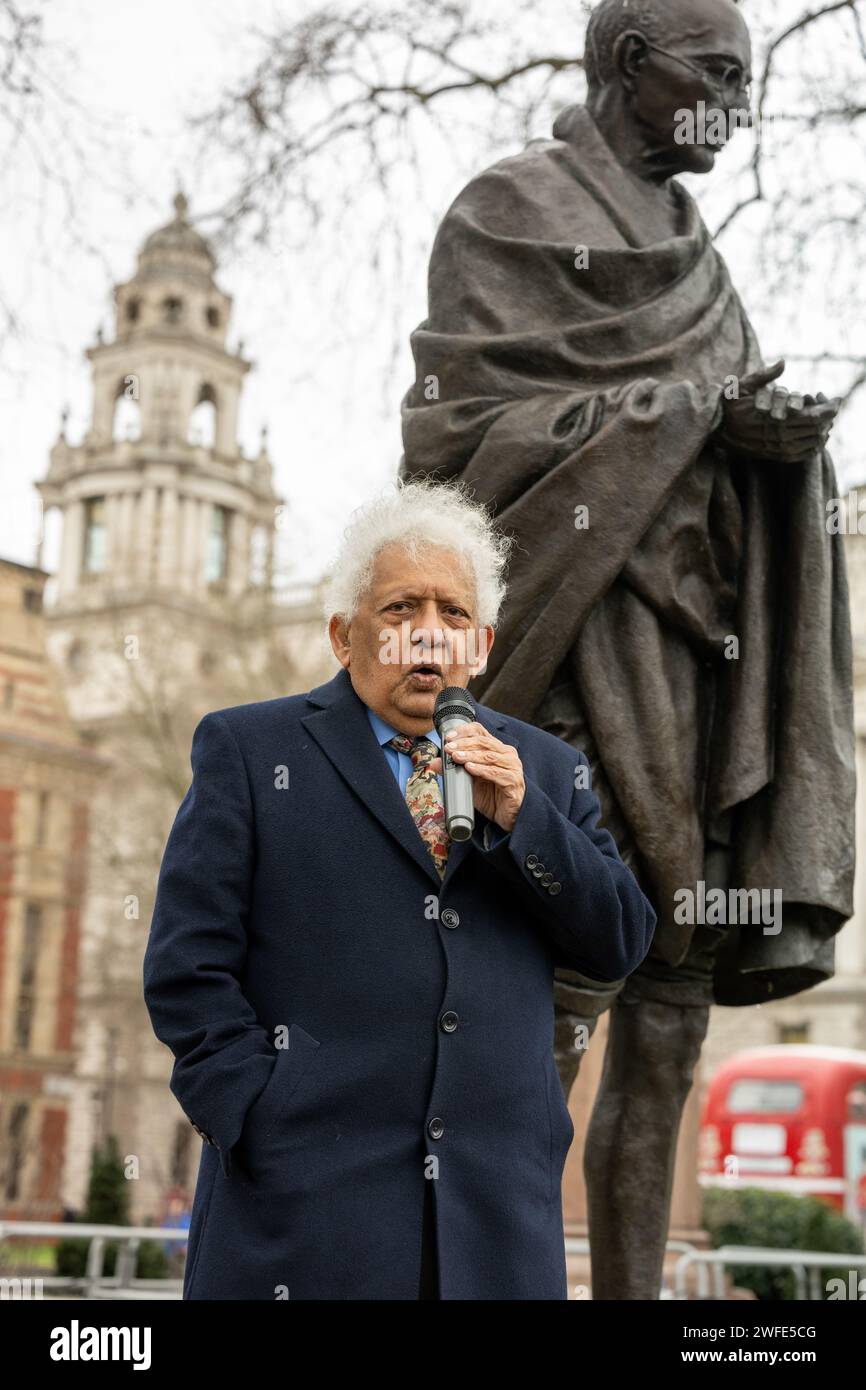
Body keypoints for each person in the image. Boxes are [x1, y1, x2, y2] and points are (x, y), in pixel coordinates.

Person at [400, 0, 855, 1297]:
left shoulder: (704, 264)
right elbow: (452, 441)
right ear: (625, 66)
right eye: (715, 79)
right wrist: (675, 409)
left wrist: (769, 444)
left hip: (698, 665)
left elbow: (723, 437)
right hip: (559, 669)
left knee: (671, 1011)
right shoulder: (509, 216)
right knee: (541, 1003)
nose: (737, 111)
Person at [142, 479, 655, 1300]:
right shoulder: (247, 750)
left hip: (497, 1232)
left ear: (482, 644)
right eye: (400, 610)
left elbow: (621, 940)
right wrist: (254, 1114)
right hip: (303, 1225)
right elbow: (186, 970)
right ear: (346, 635)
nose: (429, 635)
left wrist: (525, 820)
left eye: (453, 615)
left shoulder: (546, 772)